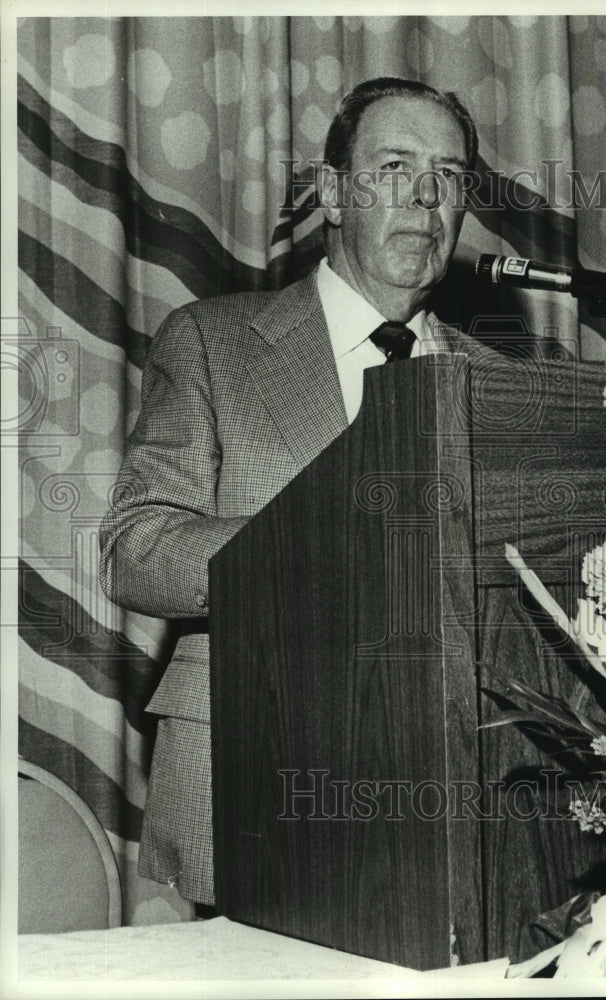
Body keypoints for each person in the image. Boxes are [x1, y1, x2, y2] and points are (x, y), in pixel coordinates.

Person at [100, 76, 483, 909]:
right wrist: (316, 535)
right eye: (393, 166)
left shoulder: (495, 384)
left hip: (446, 815)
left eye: (449, 177)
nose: (424, 197)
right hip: (248, 796)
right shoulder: (211, 341)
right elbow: (136, 551)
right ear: (334, 194)